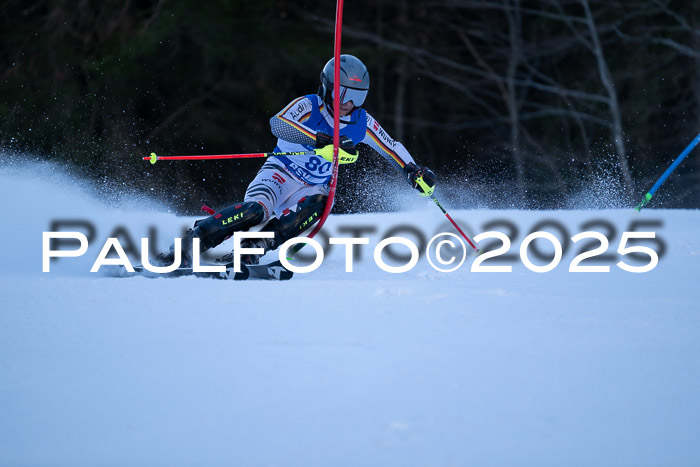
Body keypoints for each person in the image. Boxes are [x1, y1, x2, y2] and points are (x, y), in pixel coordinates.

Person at [154, 54, 436, 270]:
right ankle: (190, 243)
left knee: (320, 202)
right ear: (327, 87)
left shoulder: (361, 122)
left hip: (310, 188)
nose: (347, 103)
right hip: (280, 173)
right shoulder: (309, 104)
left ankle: (250, 250)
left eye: (356, 96)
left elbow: (391, 146)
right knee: (256, 211)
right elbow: (278, 124)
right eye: (342, 93)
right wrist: (320, 140)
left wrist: (412, 171)